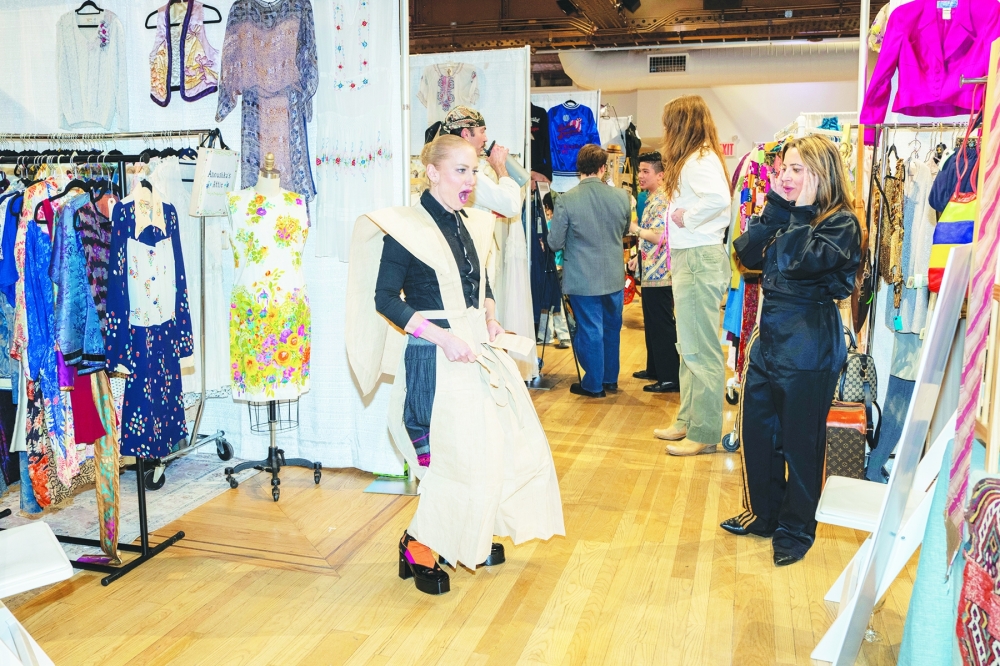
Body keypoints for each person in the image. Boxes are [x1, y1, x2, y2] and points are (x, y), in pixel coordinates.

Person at [345, 134, 565, 595]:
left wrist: (488, 313)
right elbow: (385, 299)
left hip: (473, 349)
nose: (471, 180)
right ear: (434, 172)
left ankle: (467, 533)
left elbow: (477, 281)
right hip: (434, 354)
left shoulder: (470, 224)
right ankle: (418, 544)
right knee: (454, 455)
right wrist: (443, 337)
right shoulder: (405, 229)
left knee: (492, 444)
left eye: (475, 171)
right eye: (462, 170)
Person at [722, 135, 862, 567]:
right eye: (785, 169)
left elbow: (800, 263)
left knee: (801, 443)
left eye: (797, 169)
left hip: (809, 341)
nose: (786, 176)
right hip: (770, 340)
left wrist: (797, 212)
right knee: (759, 434)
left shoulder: (842, 223)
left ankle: (797, 528)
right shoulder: (788, 214)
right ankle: (765, 514)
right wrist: (778, 209)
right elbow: (745, 254)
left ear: (822, 174)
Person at [652, 95, 732, 456]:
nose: (665, 131)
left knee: (701, 350)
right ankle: (688, 419)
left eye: (669, 123)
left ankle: (704, 430)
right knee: (689, 348)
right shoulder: (697, 158)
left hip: (698, 257)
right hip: (693, 257)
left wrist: (687, 216)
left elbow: (718, 200)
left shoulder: (698, 159)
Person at [548, 144, 631, 398]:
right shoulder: (620, 197)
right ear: (603, 168)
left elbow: (555, 243)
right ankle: (610, 379)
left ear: (578, 169)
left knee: (590, 329)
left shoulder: (567, 199)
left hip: (583, 278)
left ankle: (593, 384)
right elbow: (625, 230)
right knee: (611, 328)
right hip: (614, 276)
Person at [628, 152, 680, 393]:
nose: (640, 176)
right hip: (650, 272)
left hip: (661, 275)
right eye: (639, 171)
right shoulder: (650, 198)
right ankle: (655, 368)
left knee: (661, 325)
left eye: (645, 171)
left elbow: (660, 236)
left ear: (660, 176)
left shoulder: (662, 200)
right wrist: (637, 259)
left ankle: (669, 376)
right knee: (652, 323)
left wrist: (635, 229)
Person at [433, 105, 523, 219]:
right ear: (466, 134)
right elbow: (512, 207)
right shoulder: (465, 175)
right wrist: (500, 167)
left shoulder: (447, 164)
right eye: (482, 131)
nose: (486, 139)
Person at [537, 193, 571, 349]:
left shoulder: (550, 225)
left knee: (551, 302)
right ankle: (558, 335)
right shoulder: (562, 224)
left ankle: (549, 335)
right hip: (560, 266)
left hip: (552, 267)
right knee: (555, 302)